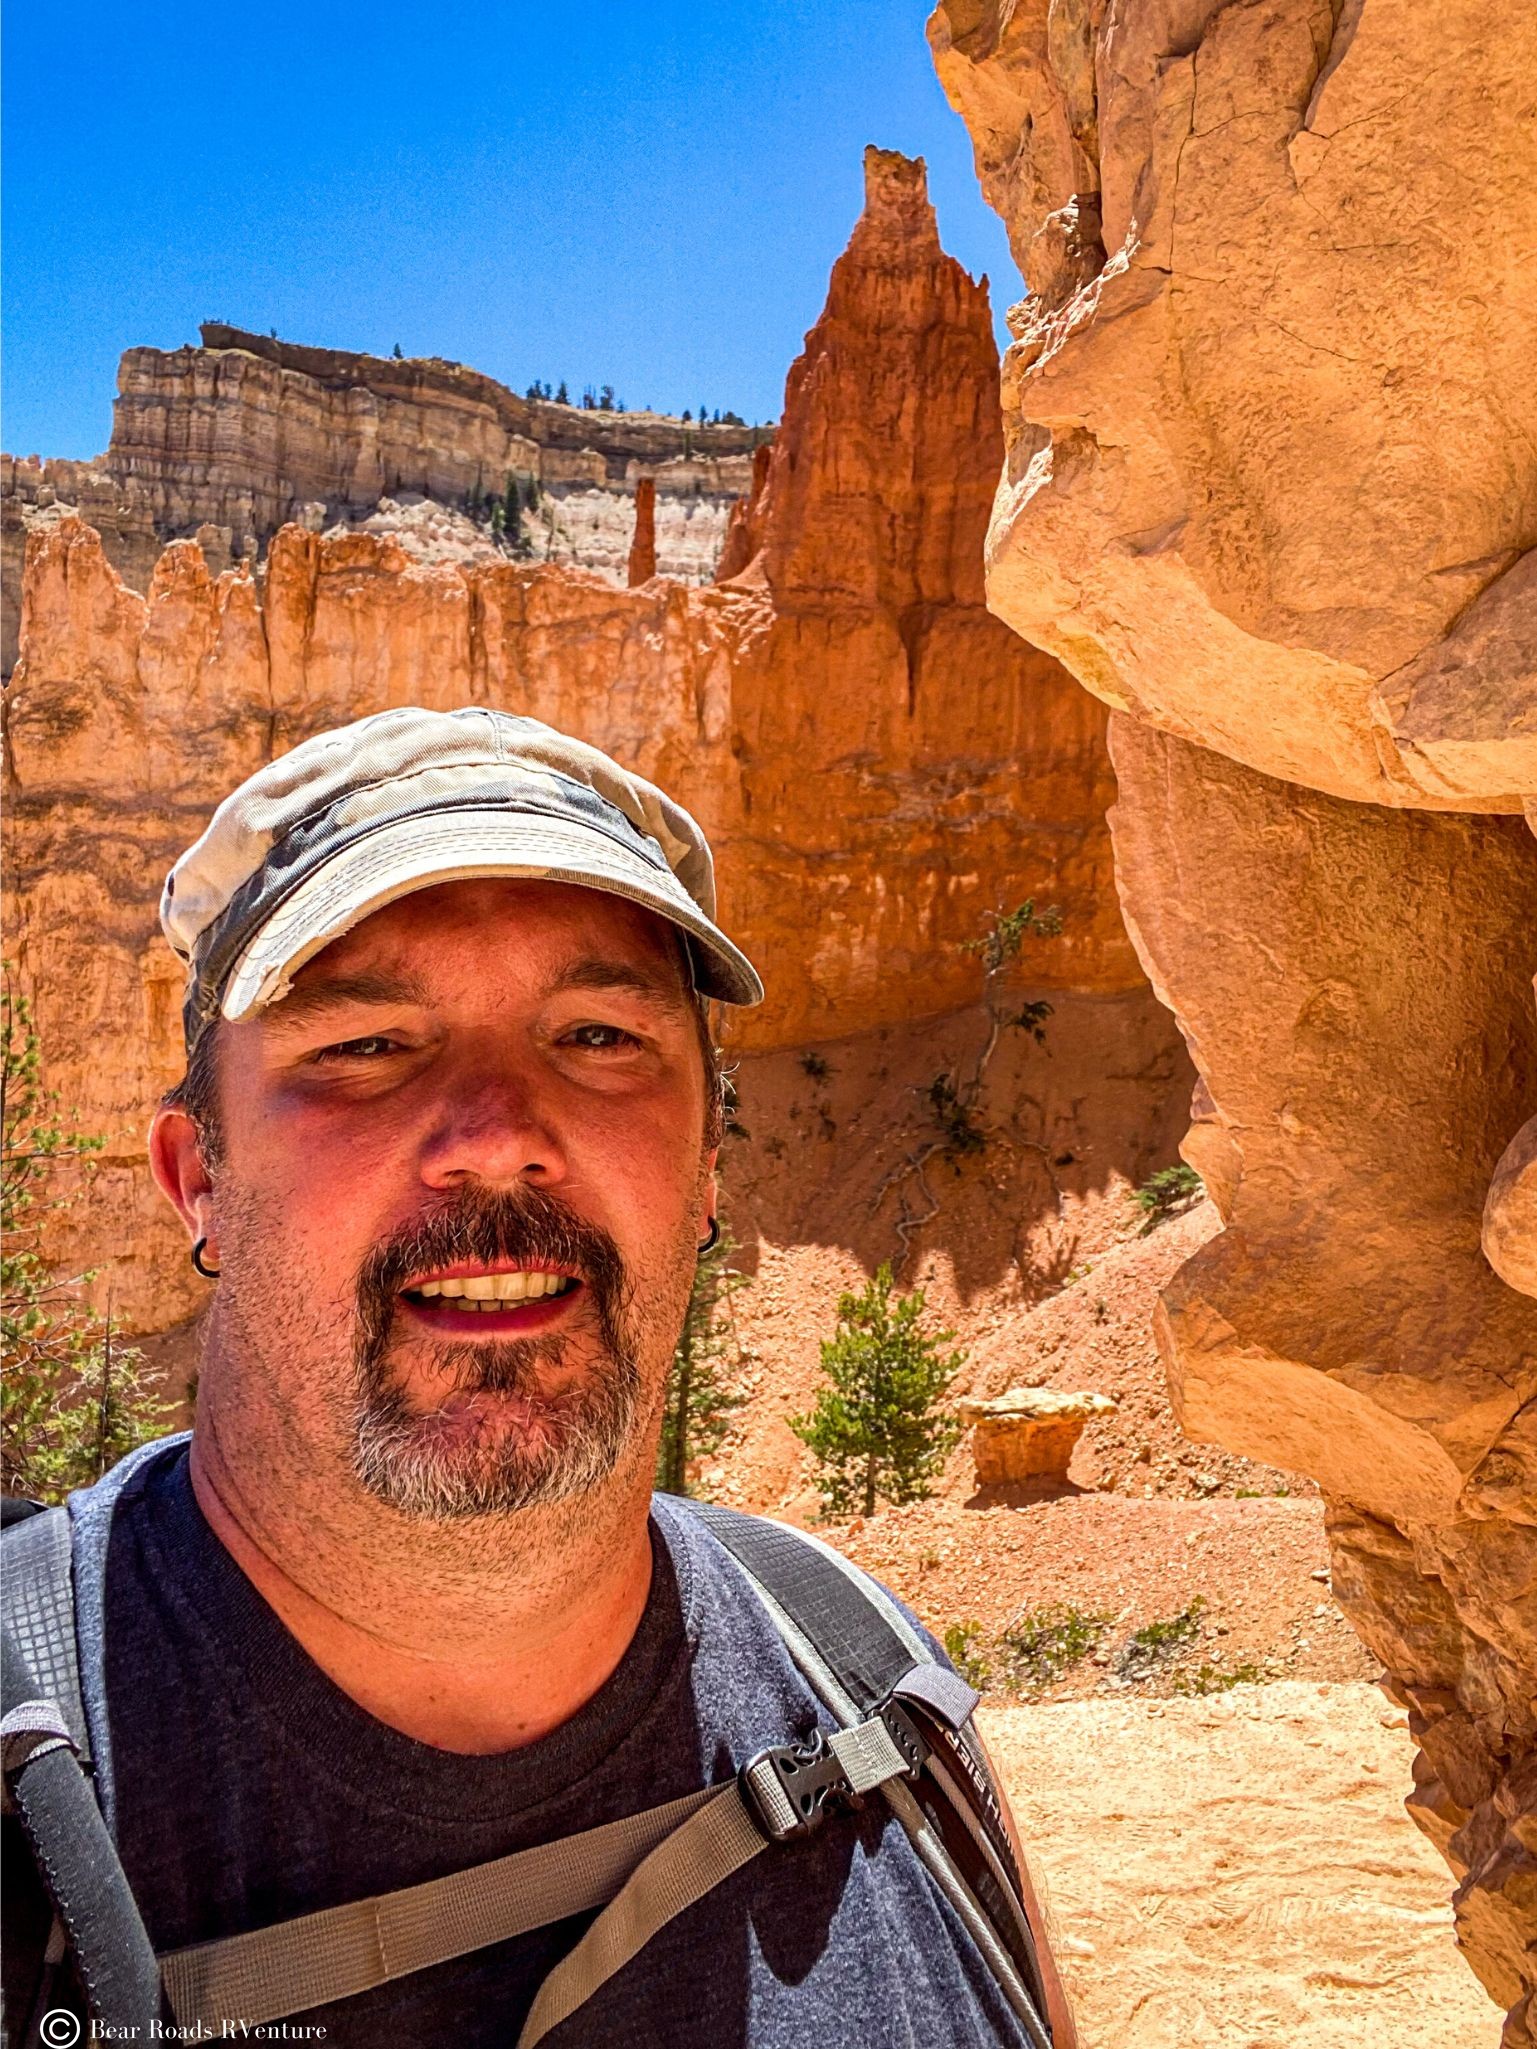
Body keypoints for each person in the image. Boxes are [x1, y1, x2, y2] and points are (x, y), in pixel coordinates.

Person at [1, 706, 1074, 2047]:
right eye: (367, 1045)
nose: (499, 1136)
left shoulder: (881, 1702)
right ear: (196, 1177)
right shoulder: (23, 1744)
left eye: (598, 1038)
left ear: (708, 1171)